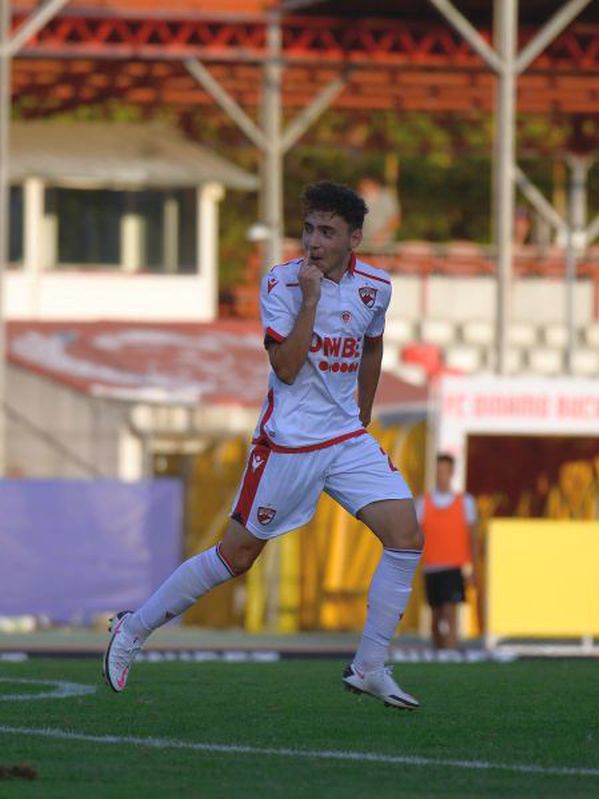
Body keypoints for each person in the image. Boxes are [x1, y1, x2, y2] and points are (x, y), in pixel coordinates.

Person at [104, 181, 424, 709]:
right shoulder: (282, 284)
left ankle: (369, 666)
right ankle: (133, 630)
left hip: (345, 439)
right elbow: (286, 366)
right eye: (308, 230)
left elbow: (373, 346)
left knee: (406, 535)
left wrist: (361, 415)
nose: (313, 242)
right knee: (237, 555)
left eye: (327, 232)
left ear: (355, 239)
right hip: (287, 446)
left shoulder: (377, 286)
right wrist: (313, 299)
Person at [416, 453, 481, 651]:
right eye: (438, 471)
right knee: (436, 616)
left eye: (445, 470)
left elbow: (473, 538)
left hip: (454, 566)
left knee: (450, 611)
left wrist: (474, 569)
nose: (441, 475)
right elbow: (415, 537)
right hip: (431, 566)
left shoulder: (465, 502)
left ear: (451, 473)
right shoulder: (422, 503)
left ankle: (451, 651)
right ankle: (440, 651)